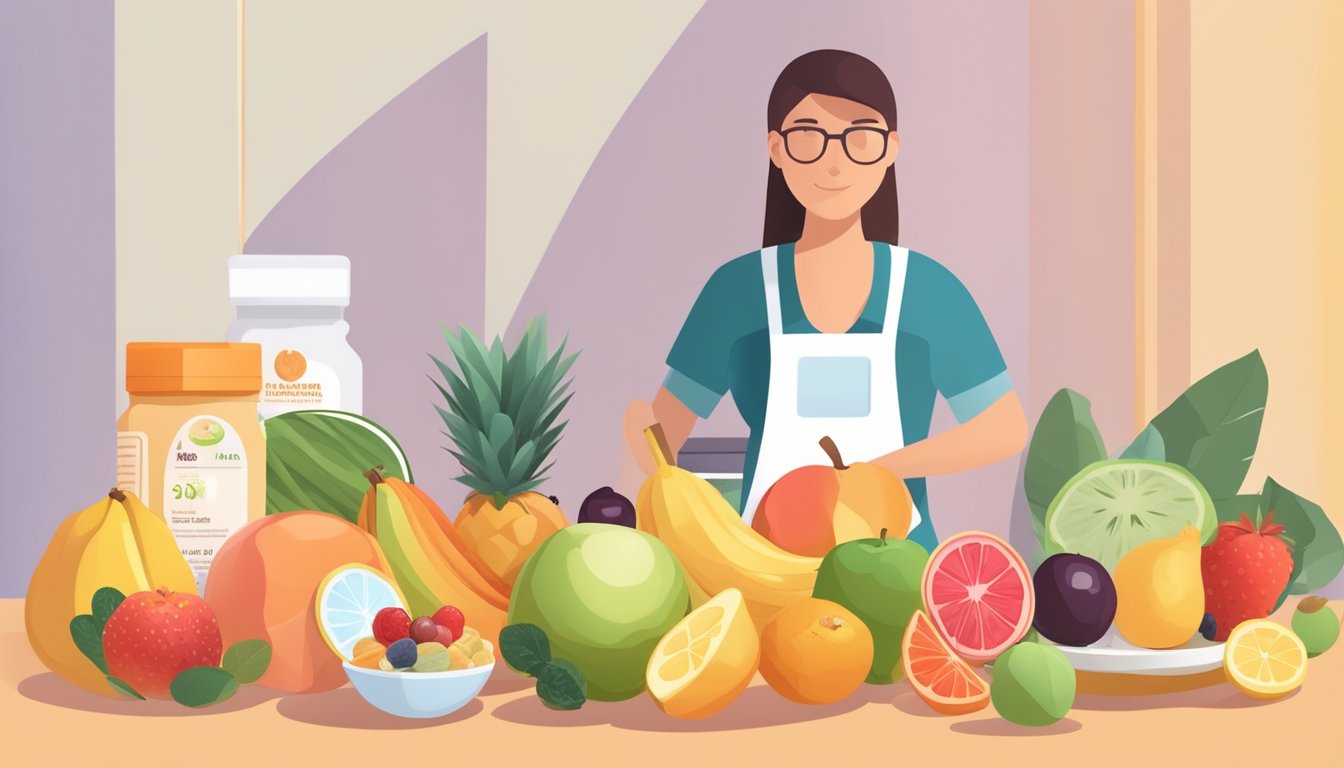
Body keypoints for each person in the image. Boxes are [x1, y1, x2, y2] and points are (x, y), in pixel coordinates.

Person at [623, 49, 1027, 552]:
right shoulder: (737, 291)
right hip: (764, 567)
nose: (834, 163)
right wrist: (641, 443)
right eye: (809, 137)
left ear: (890, 149)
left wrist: (881, 471)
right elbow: (663, 437)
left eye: (860, 137)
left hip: (897, 565)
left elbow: (1004, 427)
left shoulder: (928, 290)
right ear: (777, 149)